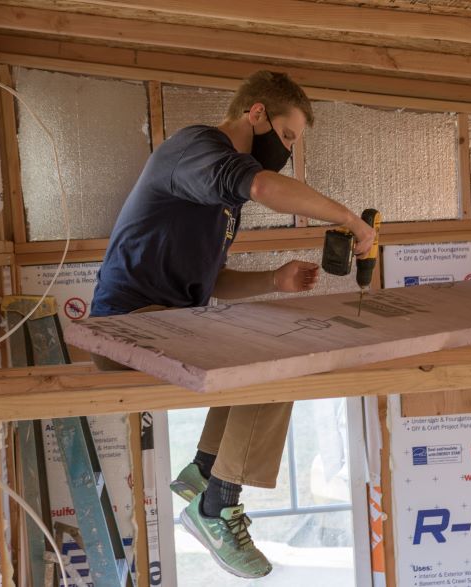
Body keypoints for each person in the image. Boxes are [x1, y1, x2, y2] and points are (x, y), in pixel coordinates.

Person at [90, 70, 374, 579]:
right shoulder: (197, 149)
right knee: (277, 346)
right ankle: (215, 501)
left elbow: (210, 279)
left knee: (274, 335)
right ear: (256, 113)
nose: (286, 150)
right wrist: (352, 221)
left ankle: (204, 472)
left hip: (166, 322)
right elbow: (265, 184)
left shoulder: (221, 195)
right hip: (127, 330)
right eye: (287, 136)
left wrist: (274, 280)